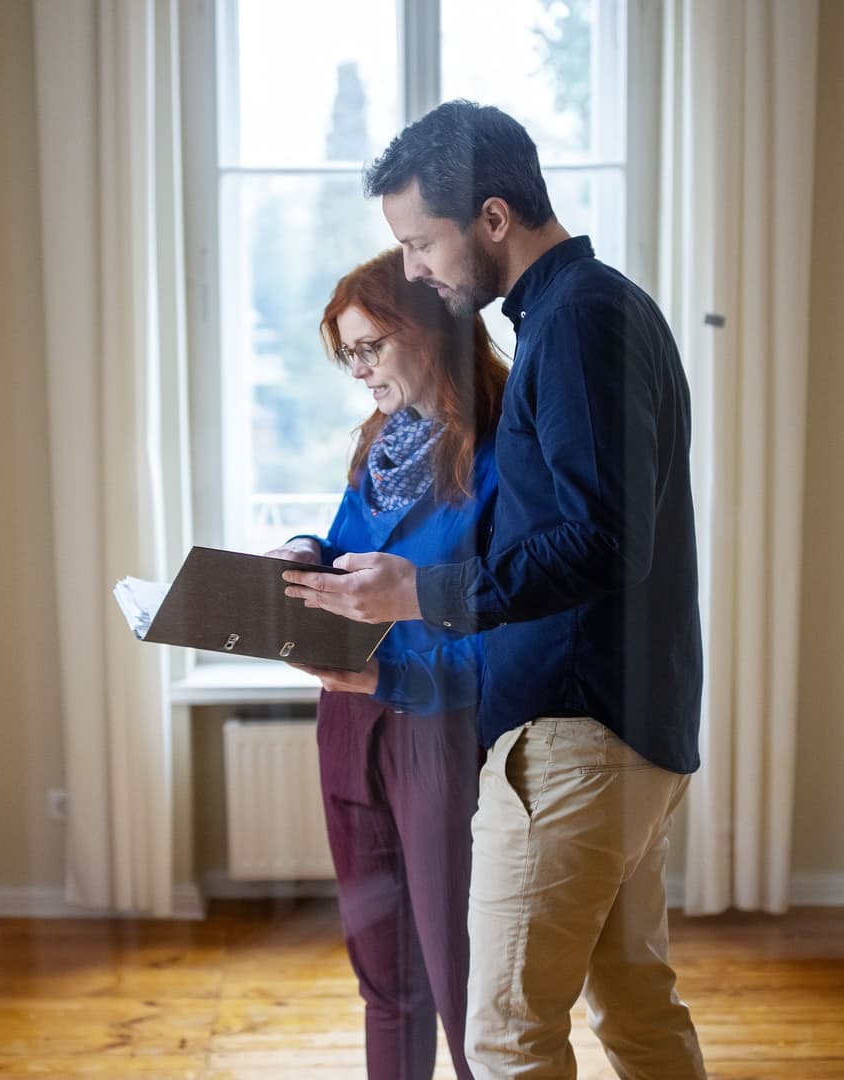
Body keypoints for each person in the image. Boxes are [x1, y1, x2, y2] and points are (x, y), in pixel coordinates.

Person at [283, 101, 708, 1078]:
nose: (419, 270)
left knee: (507, 1040)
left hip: (574, 738)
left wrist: (421, 596)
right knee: (640, 1015)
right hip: (622, 729)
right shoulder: (592, 313)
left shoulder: (578, 323)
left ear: (493, 218)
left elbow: (600, 541)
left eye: (420, 242)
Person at [265, 246, 510, 1080]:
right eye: (350, 354)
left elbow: (515, 627)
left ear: (431, 330)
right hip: (349, 724)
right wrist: (304, 550)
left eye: (371, 347)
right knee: (385, 982)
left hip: (442, 734)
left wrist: (391, 675)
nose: (361, 370)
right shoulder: (385, 440)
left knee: (462, 986)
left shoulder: (508, 454)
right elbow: (347, 548)